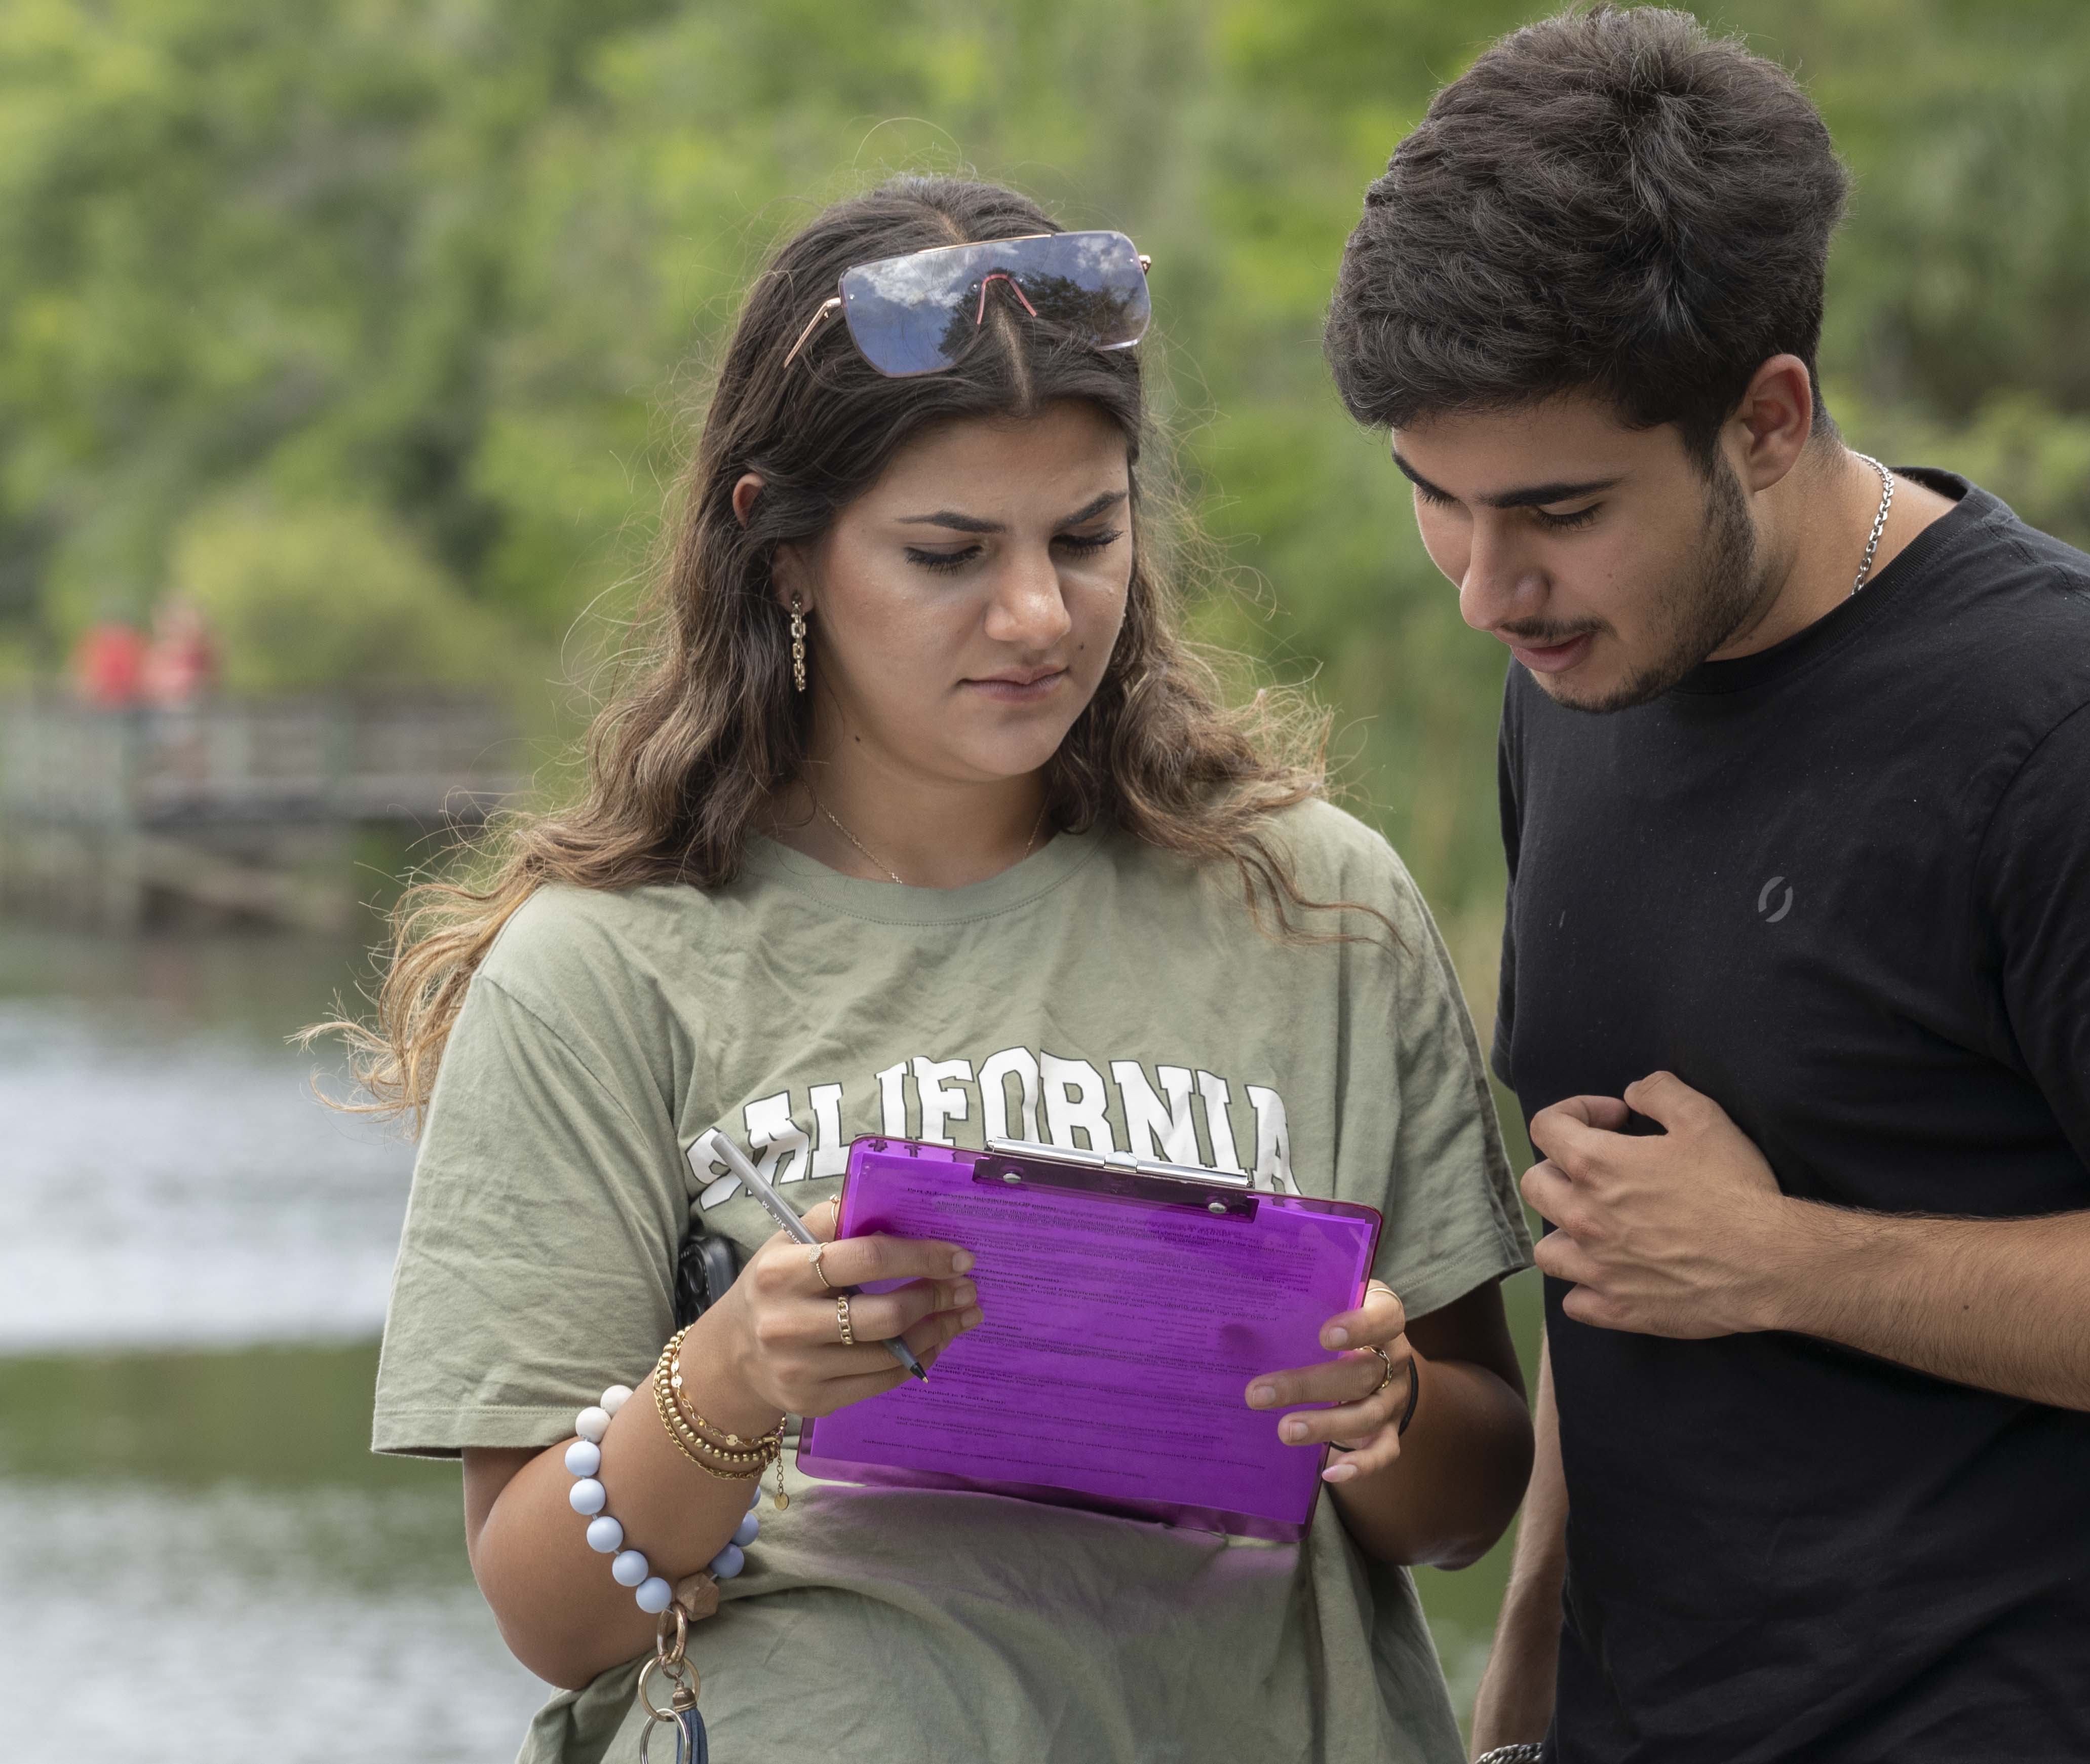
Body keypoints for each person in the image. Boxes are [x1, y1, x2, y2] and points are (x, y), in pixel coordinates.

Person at [1322, 10, 2090, 1763]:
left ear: (1768, 418)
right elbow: (1621, 1261)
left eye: (1556, 508)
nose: (1487, 587)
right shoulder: (1580, 679)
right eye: (1436, 503)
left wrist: (1789, 1260)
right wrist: (1522, 1683)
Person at [347, 176, 1535, 1764]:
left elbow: (1468, 1498)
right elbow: (554, 1618)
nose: (1039, 611)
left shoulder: (1318, 904)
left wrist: (1373, 1407)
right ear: (785, 554)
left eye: (1086, 536)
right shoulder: (602, 972)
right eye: (949, 549)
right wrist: (732, 1380)